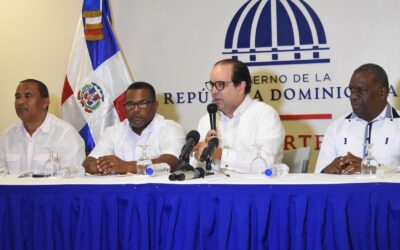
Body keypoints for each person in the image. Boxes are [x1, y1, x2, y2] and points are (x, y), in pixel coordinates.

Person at [191, 59, 285, 174]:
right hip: (214, 190)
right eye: (212, 85)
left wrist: (219, 153)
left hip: (255, 190)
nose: (214, 91)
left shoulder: (265, 115)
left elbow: (263, 163)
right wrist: (202, 156)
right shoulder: (206, 120)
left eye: (220, 84)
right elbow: (195, 168)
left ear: (241, 87)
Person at [82, 82, 186, 175]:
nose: (136, 109)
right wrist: (99, 166)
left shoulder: (171, 129)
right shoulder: (113, 132)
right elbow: (88, 163)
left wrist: (126, 166)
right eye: (130, 104)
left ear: (155, 105)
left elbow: (170, 163)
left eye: (143, 103)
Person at [315, 63, 400, 174]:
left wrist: (375, 170)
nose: (353, 96)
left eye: (361, 90)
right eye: (351, 90)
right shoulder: (336, 128)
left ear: (382, 92)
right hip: (345, 191)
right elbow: (317, 176)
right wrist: (326, 171)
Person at [0, 79, 85, 175]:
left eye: (28, 96)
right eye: (17, 97)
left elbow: (73, 180)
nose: (20, 102)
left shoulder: (66, 135)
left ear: (45, 102)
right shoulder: (6, 137)